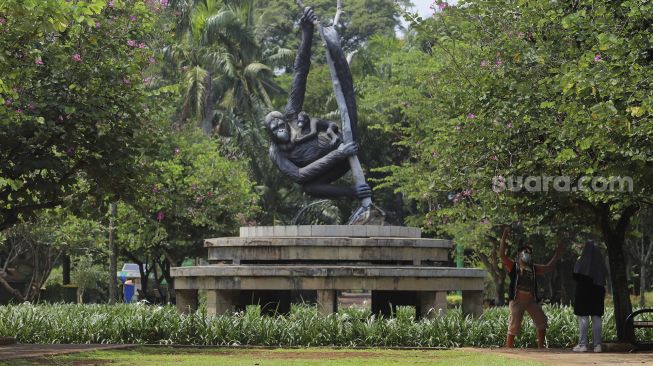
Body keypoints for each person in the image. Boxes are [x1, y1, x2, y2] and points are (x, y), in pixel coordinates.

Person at [499, 227, 564, 348]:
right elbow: (502, 255)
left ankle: (540, 347)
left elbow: (548, 267)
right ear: (519, 254)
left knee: (542, 321)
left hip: (530, 301)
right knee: (514, 326)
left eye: (529, 252)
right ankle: (509, 349)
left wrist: (557, 255)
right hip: (517, 301)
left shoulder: (533, 268)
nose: (527, 253)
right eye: (524, 251)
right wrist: (504, 237)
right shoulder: (514, 266)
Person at [572, 240, 608, 353]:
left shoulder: (581, 261)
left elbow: (575, 275)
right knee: (596, 318)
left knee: (583, 318)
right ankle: (598, 346)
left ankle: (583, 345)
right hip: (597, 292)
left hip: (583, 292)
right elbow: (604, 277)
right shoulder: (600, 263)